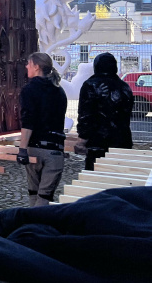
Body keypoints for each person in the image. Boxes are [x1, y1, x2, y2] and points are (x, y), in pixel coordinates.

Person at [16, 52, 67, 207]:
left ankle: (31, 227)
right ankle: (36, 226)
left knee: (33, 194)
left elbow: (28, 121)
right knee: (44, 197)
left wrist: (22, 149)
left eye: (29, 63)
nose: (26, 66)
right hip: (55, 149)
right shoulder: (60, 91)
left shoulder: (29, 90)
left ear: (36, 67)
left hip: (34, 148)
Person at [76, 53, 134, 171]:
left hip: (97, 141)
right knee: (119, 176)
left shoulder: (90, 85)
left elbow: (85, 115)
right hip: (122, 140)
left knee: (96, 177)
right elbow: (127, 115)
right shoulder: (125, 87)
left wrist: (82, 138)